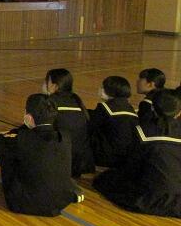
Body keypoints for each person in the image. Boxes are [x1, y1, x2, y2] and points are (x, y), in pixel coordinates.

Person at [0, 94, 84, 217]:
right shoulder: (64, 137)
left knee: (9, 153)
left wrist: (19, 131)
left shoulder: (23, 139)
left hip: (22, 203)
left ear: (29, 117)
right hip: (59, 203)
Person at [94, 89, 181, 218]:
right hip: (178, 194)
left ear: (153, 108)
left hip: (150, 194)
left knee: (105, 180)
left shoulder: (142, 131)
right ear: (178, 112)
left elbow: (133, 166)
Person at [43, 69, 95, 177]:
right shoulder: (76, 100)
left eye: (47, 81)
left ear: (55, 86)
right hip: (80, 163)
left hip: (61, 163)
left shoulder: (50, 102)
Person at [88, 76, 139, 168]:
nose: (100, 89)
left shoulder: (104, 107)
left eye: (103, 87)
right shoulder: (130, 109)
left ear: (110, 91)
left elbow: (90, 127)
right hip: (126, 157)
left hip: (106, 156)